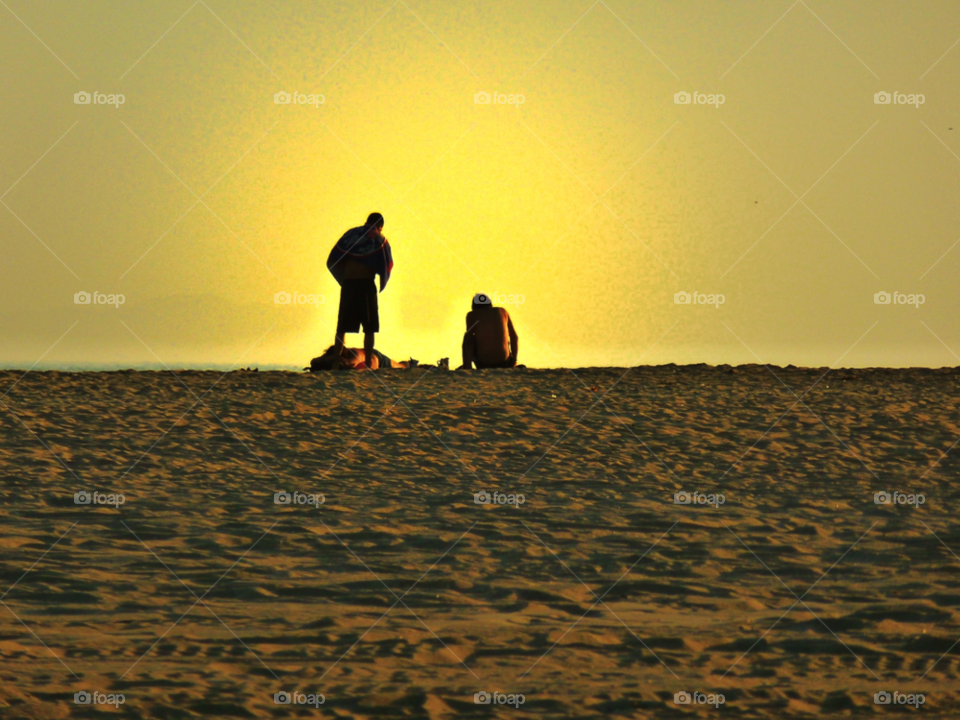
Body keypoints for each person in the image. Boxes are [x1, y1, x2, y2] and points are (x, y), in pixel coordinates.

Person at [327, 213, 393, 369]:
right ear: (381, 225)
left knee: (342, 326)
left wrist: (342, 278)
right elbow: (387, 263)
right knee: (369, 327)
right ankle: (369, 361)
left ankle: (336, 360)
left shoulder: (351, 234)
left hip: (349, 284)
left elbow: (334, 258)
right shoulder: (379, 238)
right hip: (365, 285)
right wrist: (383, 279)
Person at [460, 293, 519, 369]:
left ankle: (467, 366)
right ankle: (512, 361)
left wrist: (467, 363)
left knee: (468, 336)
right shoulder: (502, 311)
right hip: (505, 362)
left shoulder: (472, 315)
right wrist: (514, 360)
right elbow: (514, 337)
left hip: (484, 363)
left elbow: (469, 341)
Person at [307, 345, 416, 371]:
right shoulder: (334, 357)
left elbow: (350, 364)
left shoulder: (354, 355)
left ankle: (410, 364)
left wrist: (338, 360)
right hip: (371, 358)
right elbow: (313, 361)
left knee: (399, 366)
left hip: (376, 357)